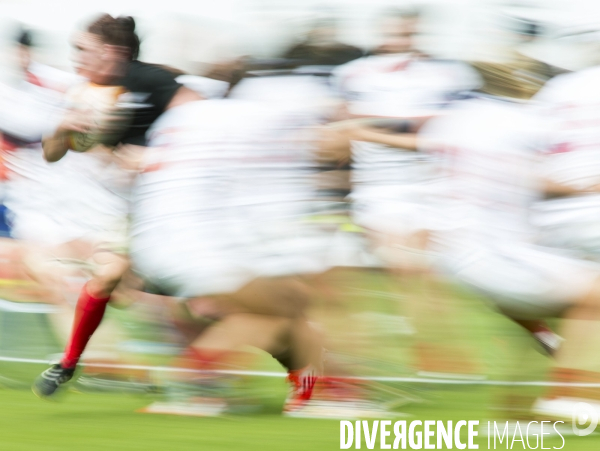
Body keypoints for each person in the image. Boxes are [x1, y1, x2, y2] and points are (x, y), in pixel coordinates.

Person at [32, 13, 201, 399]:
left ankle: (227, 373)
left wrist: (155, 155)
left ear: (112, 52)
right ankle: (68, 363)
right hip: (125, 213)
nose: (75, 58)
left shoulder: (152, 80)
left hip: (175, 206)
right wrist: (61, 129)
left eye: (82, 49)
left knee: (198, 297)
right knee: (112, 276)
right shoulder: (84, 93)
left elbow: (203, 118)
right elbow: (53, 154)